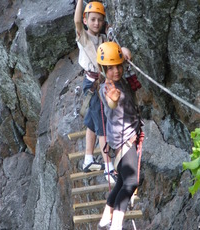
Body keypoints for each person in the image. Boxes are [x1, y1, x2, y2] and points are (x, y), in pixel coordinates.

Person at [74, 1, 131, 182]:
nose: (96, 23)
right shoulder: (83, 36)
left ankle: (88, 159)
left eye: (99, 20)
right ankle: (108, 167)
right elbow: (76, 21)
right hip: (92, 83)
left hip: (98, 82)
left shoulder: (104, 39)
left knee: (92, 122)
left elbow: (115, 50)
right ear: (86, 20)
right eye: (92, 20)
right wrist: (80, 2)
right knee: (103, 127)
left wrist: (125, 51)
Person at [96, 41, 143, 230]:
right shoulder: (106, 88)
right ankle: (116, 225)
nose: (116, 71)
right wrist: (113, 100)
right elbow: (111, 103)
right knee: (131, 182)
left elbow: (126, 51)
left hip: (125, 136)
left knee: (122, 181)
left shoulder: (120, 79)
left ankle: (105, 219)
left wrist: (123, 53)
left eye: (118, 66)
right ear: (103, 69)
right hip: (124, 139)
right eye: (110, 68)